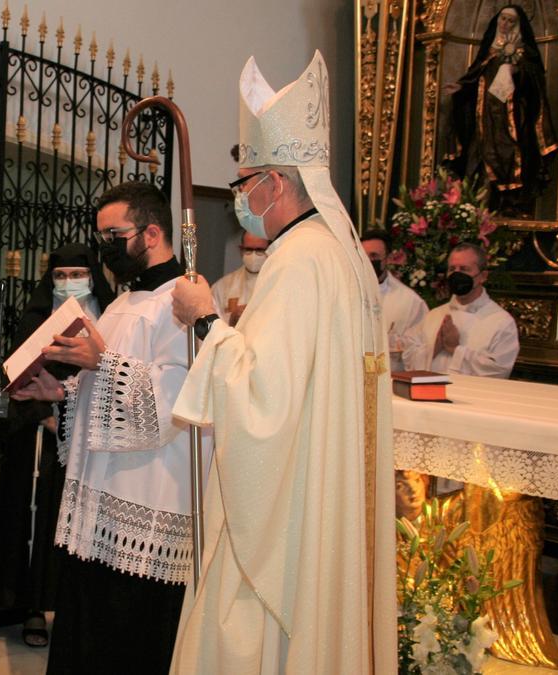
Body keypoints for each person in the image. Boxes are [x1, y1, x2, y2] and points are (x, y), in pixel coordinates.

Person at [164, 51, 396, 673]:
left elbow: (263, 397)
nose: (240, 196)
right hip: (315, 483)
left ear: (278, 183)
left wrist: (203, 317)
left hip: (287, 506)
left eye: (245, 183)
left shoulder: (298, 260)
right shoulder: (338, 256)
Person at [12, 181, 206, 673]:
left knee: (126, 643)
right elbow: (105, 395)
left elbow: (179, 405)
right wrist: (61, 394)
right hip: (99, 507)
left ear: (153, 232)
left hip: (145, 502)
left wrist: (104, 362)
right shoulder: (121, 305)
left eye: (113, 235)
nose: (105, 247)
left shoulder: (185, 304)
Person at [0, 243, 114, 647]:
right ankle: (33, 607)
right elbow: (18, 377)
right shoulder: (35, 318)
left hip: (94, 441)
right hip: (42, 441)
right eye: (59, 276)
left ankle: (74, 608)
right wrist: (44, 415)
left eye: (76, 274)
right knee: (40, 523)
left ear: (92, 276)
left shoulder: (111, 318)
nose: (68, 283)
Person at [444, 5, 558, 216]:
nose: (505, 24)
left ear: (518, 25)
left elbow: (534, 87)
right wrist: (461, 88)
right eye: (503, 19)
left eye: (510, 21)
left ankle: (509, 205)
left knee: (510, 158)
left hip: (511, 121)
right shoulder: (490, 52)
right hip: (484, 121)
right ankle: (476, 208)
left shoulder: (524, 54)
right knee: (477, 161)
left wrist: (516, 71)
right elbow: (475, 77)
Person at [401, 242, 519, 378]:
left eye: (464, 269)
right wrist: (435, 347)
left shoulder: (502, 322)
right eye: (452, 269)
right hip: (429, 394)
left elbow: (499, 371)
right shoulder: (433, 315)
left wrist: (456, 349)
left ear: (483, 276)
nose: (456, 275)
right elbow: (407, 357)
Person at [361, 229, 427, 371]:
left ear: (389, 258)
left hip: (391, 380)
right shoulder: (345, 293)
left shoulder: (411, 302)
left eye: (374, 255)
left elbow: (418, 351)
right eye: (363, 256)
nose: (368, 261)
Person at [211, 231, 270, 326]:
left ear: (270, 250)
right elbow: (211, 325)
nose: (253, 255)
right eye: (248, 249)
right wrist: (232, 319)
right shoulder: (222, 287)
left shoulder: (277, 281)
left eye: (259, 250)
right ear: (241, 250)